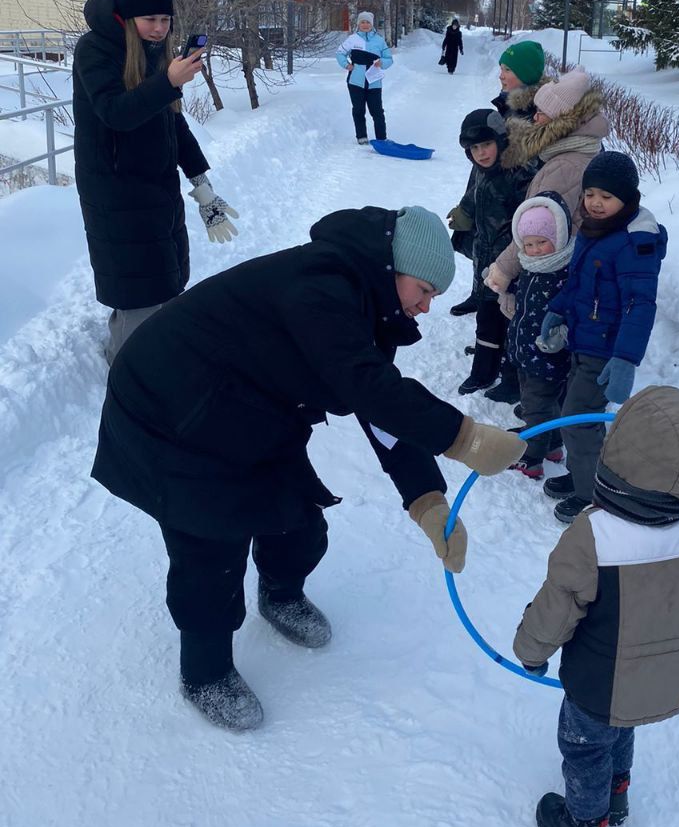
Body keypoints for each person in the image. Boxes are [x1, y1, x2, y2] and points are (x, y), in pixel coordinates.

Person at [91, 205, 526, 732]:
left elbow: (376, 404)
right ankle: (204, 671)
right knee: (210, 550)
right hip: (173, 415)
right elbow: (365, 384)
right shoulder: (319, 285)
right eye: (425, 289)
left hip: (247, 410)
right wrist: (464, 437)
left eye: (433, 296)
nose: (427, 307)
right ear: (394, 268)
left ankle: (280, 594)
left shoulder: (367, 306)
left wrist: (426, 500)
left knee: (296, 519)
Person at [513, 386, 679, 827]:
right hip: (666, 678)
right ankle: (617, 797)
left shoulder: (595, 536)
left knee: (584, 746)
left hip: (598, 683)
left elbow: (557, 607)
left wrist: (530, 651)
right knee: (622, 724)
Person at [72, 0, 239, 365]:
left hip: (155, 185)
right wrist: (167, 82)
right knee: (139, 286)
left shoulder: (152, 51)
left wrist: (201, 183)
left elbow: (171, 123)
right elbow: (116, 113)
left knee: (161, 276)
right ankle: (130, 372)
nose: (160, 29)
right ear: (129, 17)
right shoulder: (94, 50)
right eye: (151, 20)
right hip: (116, 188)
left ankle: (143, 355)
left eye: (165, 20)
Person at [538, 152, 668, 524]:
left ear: (627, 199)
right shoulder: (595, 230)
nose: (595, 202)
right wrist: (558, 309)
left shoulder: (633, 243)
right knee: (574, 415)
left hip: (606, 349)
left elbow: (640, 305)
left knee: (578, 419)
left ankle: (593, 495)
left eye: (606, 197)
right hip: (584, 339)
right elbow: (578, 283)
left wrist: (626, 358)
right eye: (590, 193)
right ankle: (583, 477)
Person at [483, 67, 609, 303]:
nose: (535, 118)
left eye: (541, 112)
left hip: (548, 278)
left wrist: (502, 270)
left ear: (561, 120)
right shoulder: (587, 150)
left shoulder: (564, 167)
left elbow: (536, 228)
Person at [447, 40, 550, 323]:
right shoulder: (509, 105)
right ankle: (480, 294)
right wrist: (467, 204)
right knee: (482, 239)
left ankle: (496, 316)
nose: (501, 75)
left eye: (507, 70)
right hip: (487, 190)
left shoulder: (536, 112)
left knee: (500, 249)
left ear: (526, 74)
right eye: (501, 68)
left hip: (513, 201)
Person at [447, 111, 533, 395]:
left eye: (486, 145)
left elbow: (529, 224)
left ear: (500, 140)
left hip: (513, 265)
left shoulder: (518, 174)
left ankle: (507, 374)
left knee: (508, 321)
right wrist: (465, 215)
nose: (481, 153)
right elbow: (474, 196)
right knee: (486, 318)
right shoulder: (483, 171)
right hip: (486, 261)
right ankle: (485, 369)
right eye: (473, 149)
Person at [501, 193, 574, 479]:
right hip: (525, 353)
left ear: (558, 237)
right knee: (543, 404)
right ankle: (553, 445)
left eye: (542, 242)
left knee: (536, 407)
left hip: (547, 355)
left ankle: (531, 459)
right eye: (528, 244)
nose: (535, 250)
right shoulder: (530, 268)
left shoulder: (564, 272)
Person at [335, 12, 393, 145]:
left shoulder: (379, 40)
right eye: (362, 22)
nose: (365, 25)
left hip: (374, 82)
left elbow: (389, 59)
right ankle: (361, 136)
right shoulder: (352, 39)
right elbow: (340, 53)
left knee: (377, 111)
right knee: (358, 109)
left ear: (372, 24)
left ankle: (381, 139)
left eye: (367, 22)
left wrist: (382, 63)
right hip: (356, 82)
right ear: (358, 24)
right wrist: (346, 64)